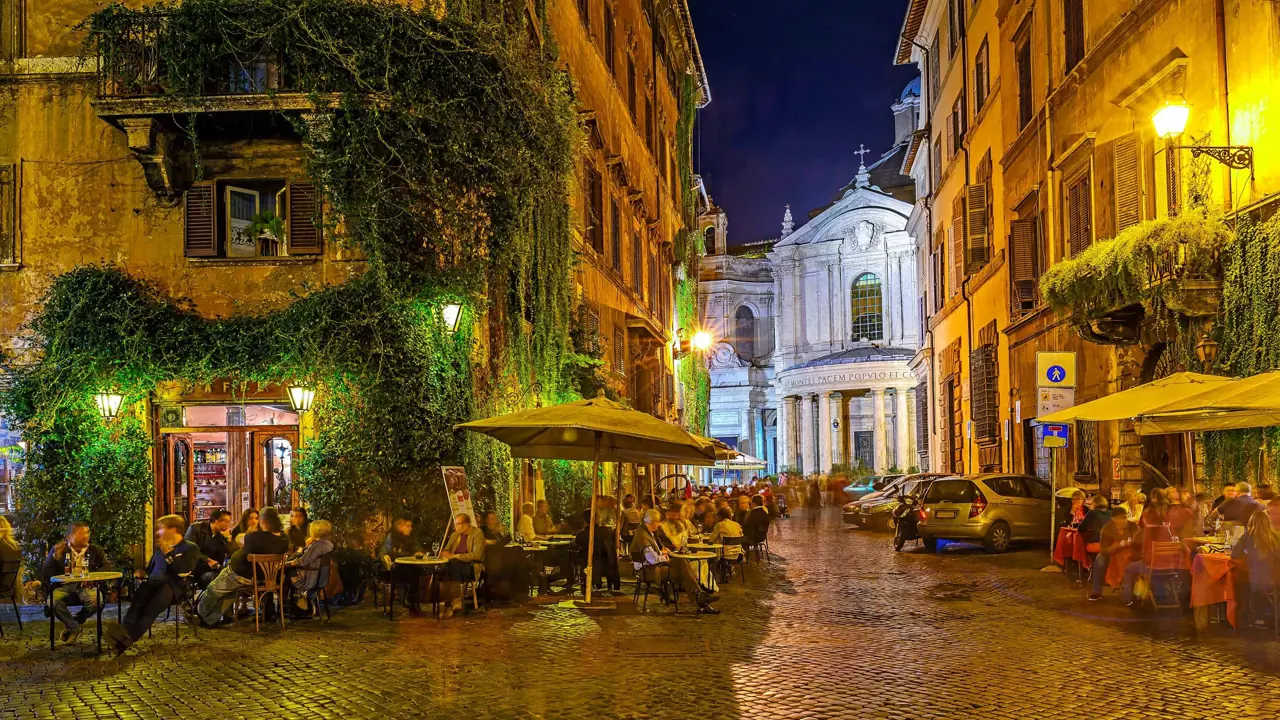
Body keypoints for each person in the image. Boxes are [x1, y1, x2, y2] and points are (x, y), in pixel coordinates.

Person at [106, 514, 200, 653]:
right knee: (138, 602)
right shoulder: (160, 549)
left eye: (161, 528)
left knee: (151, 607)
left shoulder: (189, 548)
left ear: (173, 529)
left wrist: (168, 554)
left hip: (173, 587)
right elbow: (150, 570)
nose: (158, 532)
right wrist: (141, 572)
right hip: (152, 584)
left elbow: (183, 570)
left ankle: (126, 639)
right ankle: (124, 632)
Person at [197, 507, 290, 626]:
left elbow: (244, 554)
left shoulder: (253, 537)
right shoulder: (284, 539)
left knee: (212, 589)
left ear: (263, 521)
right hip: (264, 578)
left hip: (240, 575)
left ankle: (200, 613)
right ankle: (209, 619)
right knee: (229, 594)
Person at [629, 509, 718, 614]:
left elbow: (651, 554)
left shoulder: (645, 532)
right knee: (683, 571)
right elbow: (653, 560)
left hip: (651, 567)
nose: (659, 525)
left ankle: (699, 595)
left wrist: (661, 552)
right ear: (652, 522)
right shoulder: (643, 536)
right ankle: (700, 597)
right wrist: (664, 557)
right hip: (648, 571)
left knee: (682, 562)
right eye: (658, 522)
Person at [41, 521, 111, 644]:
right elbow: (45, 573)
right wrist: (54, 558)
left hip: (85, 586)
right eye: (82, 533)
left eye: (88, 532)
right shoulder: (60, 549)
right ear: (70, 536)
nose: (87, 536)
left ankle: (76, 622)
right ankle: (74, 628)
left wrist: (92, 577)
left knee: (96, 601)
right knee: (52, 602)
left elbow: (107, 567)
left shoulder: (95, 550)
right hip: (64, 585)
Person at [1233, 509, 1280, 628]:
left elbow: (1235, 554)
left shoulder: (1247, 537)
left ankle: (1256, 617)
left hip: (1260, 582)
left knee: (1241, 584)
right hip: (1276, 579)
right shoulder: (1277, 536)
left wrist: (1249, 556)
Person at [439, 513, 486, 619]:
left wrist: (456, 556)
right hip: (454, 566)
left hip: (471, 565)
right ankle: (454, 602)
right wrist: (447, 554)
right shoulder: (455, 535)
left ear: (467, 524)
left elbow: (476, 555)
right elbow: (445, 551)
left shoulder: (477, 533)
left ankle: (449, 605)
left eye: (459, 524)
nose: (456, 527)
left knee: (451, 565)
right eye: (455, 524)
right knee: (446, 567)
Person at [285, 519, 334, 617]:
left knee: (284, 575)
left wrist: (288, 563)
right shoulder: (329, 544)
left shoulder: (317, 546)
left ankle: (291, 607)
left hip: (310, 578)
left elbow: (304, 561)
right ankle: (300, 605)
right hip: (321, 577)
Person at [1089, 508, 1138, 602]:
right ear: (1113, 519)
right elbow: (1103, 550)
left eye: (1125, 517)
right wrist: (1116, 546)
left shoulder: (1133, 526)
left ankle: (1132, 593)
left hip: (1129, 553)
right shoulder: (1107, 529)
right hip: (1111, 553)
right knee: (1100, 560)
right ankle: (1096, 591)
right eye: (1121, 517)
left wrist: (1131, 543)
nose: (1124, 520)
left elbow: (1138, 542)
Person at [185, 509, 236, 587]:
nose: (228, 524)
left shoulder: (221, 535)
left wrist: (228, 540)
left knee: (233, 577)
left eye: (229, 521)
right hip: (196, 569)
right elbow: (189, 549)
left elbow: (232, 553)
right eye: (225, 521)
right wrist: (207, 560)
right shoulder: (196, 528)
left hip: (215, 568)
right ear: (215, 521)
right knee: (218, 579)